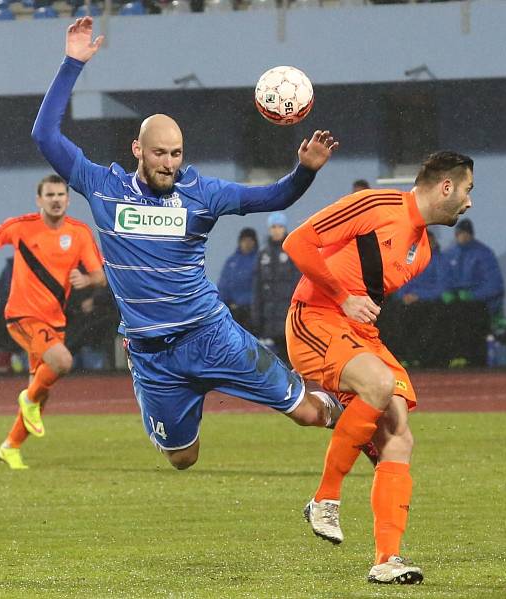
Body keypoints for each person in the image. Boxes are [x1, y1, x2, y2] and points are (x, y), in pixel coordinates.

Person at [30, 16, 343, 471]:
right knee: (182, 458)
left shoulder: (202, 193)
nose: (169, 163)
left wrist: (305, 172)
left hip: (211, 336)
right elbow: (44, 136)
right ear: (138, 150)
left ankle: (357, 415)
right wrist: (72, 64)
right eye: (160, 153)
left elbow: (272, 197)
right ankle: (188, 400)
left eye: (176, 154)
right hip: (153, 356)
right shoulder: (102, 187)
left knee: (310, 414)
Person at [283, 151, 475, 585]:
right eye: (467, 190)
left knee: (398, 434)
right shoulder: (375, 205)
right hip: (313, 317)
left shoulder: (421, 251)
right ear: (446, 187)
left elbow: (366, 302)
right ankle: (325, 498)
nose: (468, 202)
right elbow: (296, 242)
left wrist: (354, 308)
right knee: (379, 383)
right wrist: (341, 295)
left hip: (355, 332)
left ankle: (387, 560)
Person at [0, 174, 105, 470]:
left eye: (61, 195)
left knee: (41, 394)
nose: (56, 199)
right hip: (22, 316)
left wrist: (86, 279)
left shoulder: (79, 233)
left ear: (68, 200)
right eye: (50, 195)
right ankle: (27, 399)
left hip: (54, 321)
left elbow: (100, 275)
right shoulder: (22, 227)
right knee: (62, 362)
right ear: (39, 200)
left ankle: (11, 446)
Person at [377, 230, 451, 368]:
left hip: (428, 302)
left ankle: (418, 356)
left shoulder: (440, 261)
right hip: (406, 301)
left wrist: (418, 296)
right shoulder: (410, 259)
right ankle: (398, 355)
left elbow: (442, 288)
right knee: (389, 312)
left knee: (421, 316)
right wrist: (404, 296)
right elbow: (400, 281)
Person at [442, 218, 504, 367]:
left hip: (480, 302)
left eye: (464, 233)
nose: (461, 237)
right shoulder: (450, 254)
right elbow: (445, 279)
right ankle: (446, 356)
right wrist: (446, 292)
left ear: (470, 234)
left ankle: (466, 356)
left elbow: (495, 285)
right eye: (458, 234)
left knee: (466, 315)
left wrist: (473, 295)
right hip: (457, 300)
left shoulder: (484, 254)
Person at [252, 212, 300, 364]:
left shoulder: (293, 249)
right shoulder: (263, 253)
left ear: (284, 228)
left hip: (288, 315)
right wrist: (256, 317)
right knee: (273, 363)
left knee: (293, 360)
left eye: (279, 226)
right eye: (273, 227)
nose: (276, 230)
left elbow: (298, 284)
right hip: (269, 318)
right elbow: (257, 287)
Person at [217, 227, 259, 332]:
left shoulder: (260, 260)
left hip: (254, 312)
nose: (247, 243)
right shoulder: (232, 262)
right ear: (240, 242)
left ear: (255, 242)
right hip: (235, 312)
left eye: (250, 241)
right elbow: (224, 285)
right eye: (244, 240)